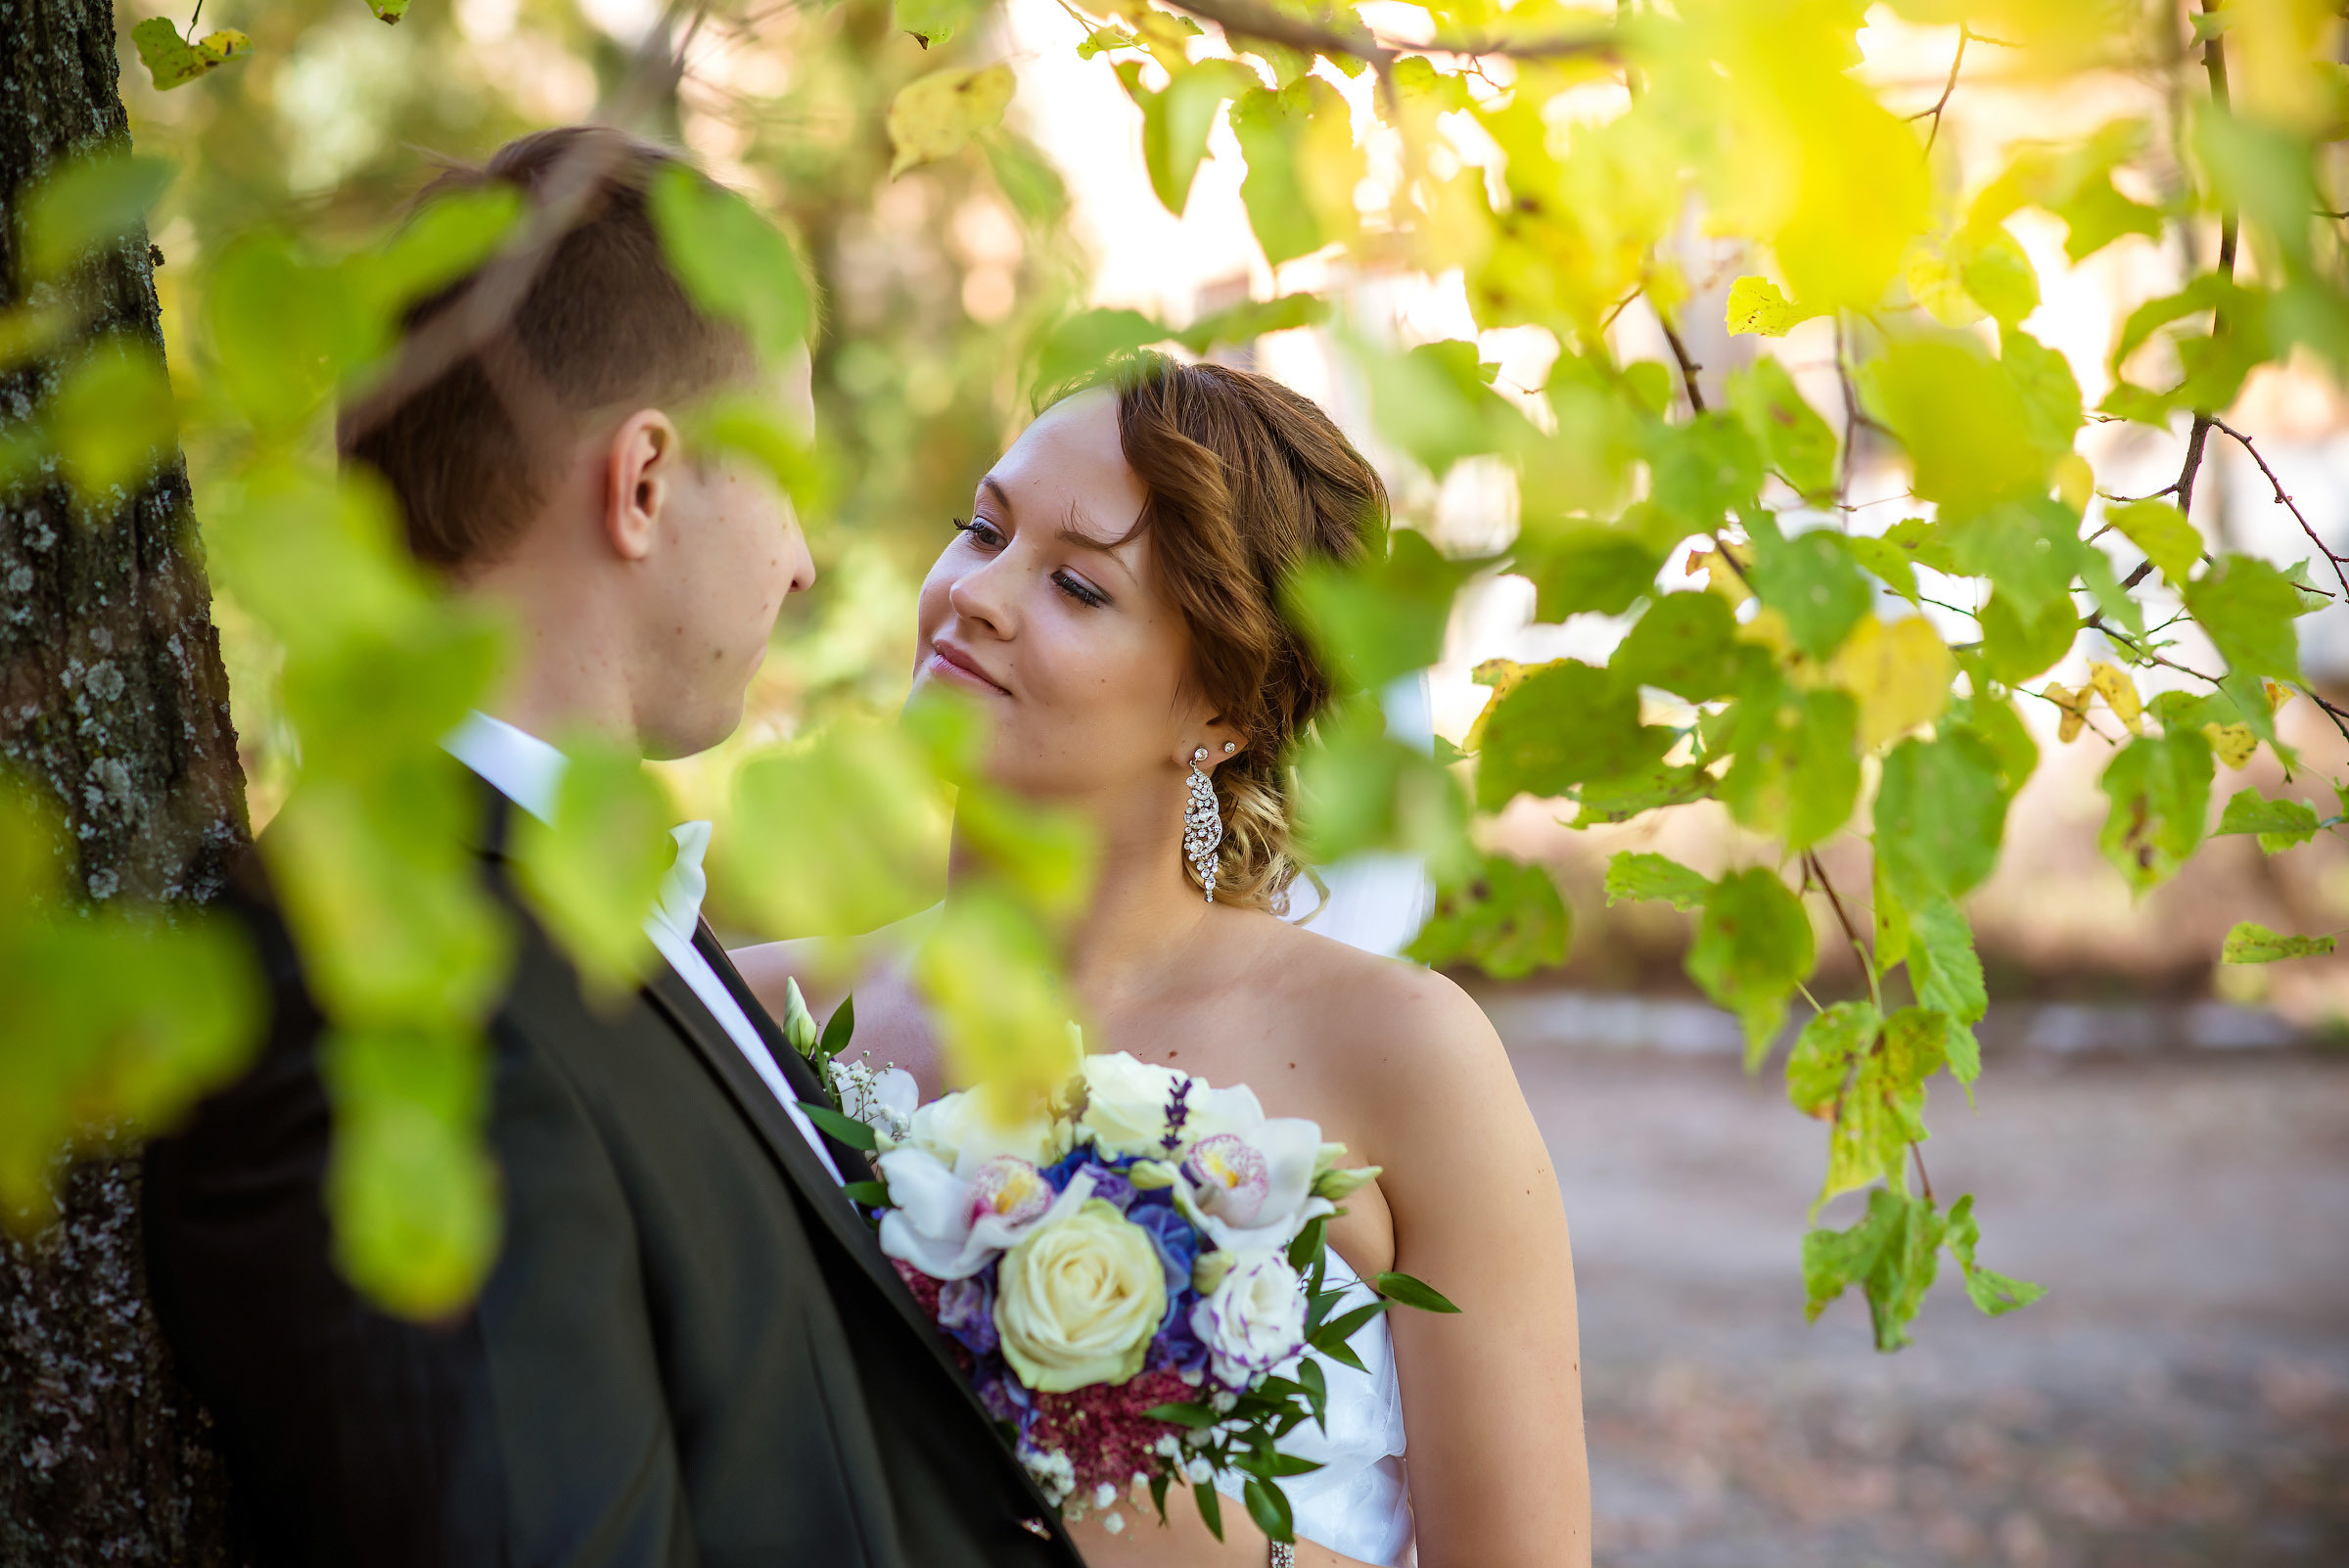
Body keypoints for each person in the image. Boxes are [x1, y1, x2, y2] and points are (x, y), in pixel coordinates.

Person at [142, 126, 1084, 1568]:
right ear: (644, 480)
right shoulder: (400, 1001)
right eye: (785, 481)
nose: (803, 565)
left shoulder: (565, 917)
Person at [733, 357, 1591, 1567]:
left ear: (1223, 712)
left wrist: (1174, 1542)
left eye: (1079, 584)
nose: (976, 593)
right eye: (983, 528)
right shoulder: (756, 1014)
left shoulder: (1404, 1055)